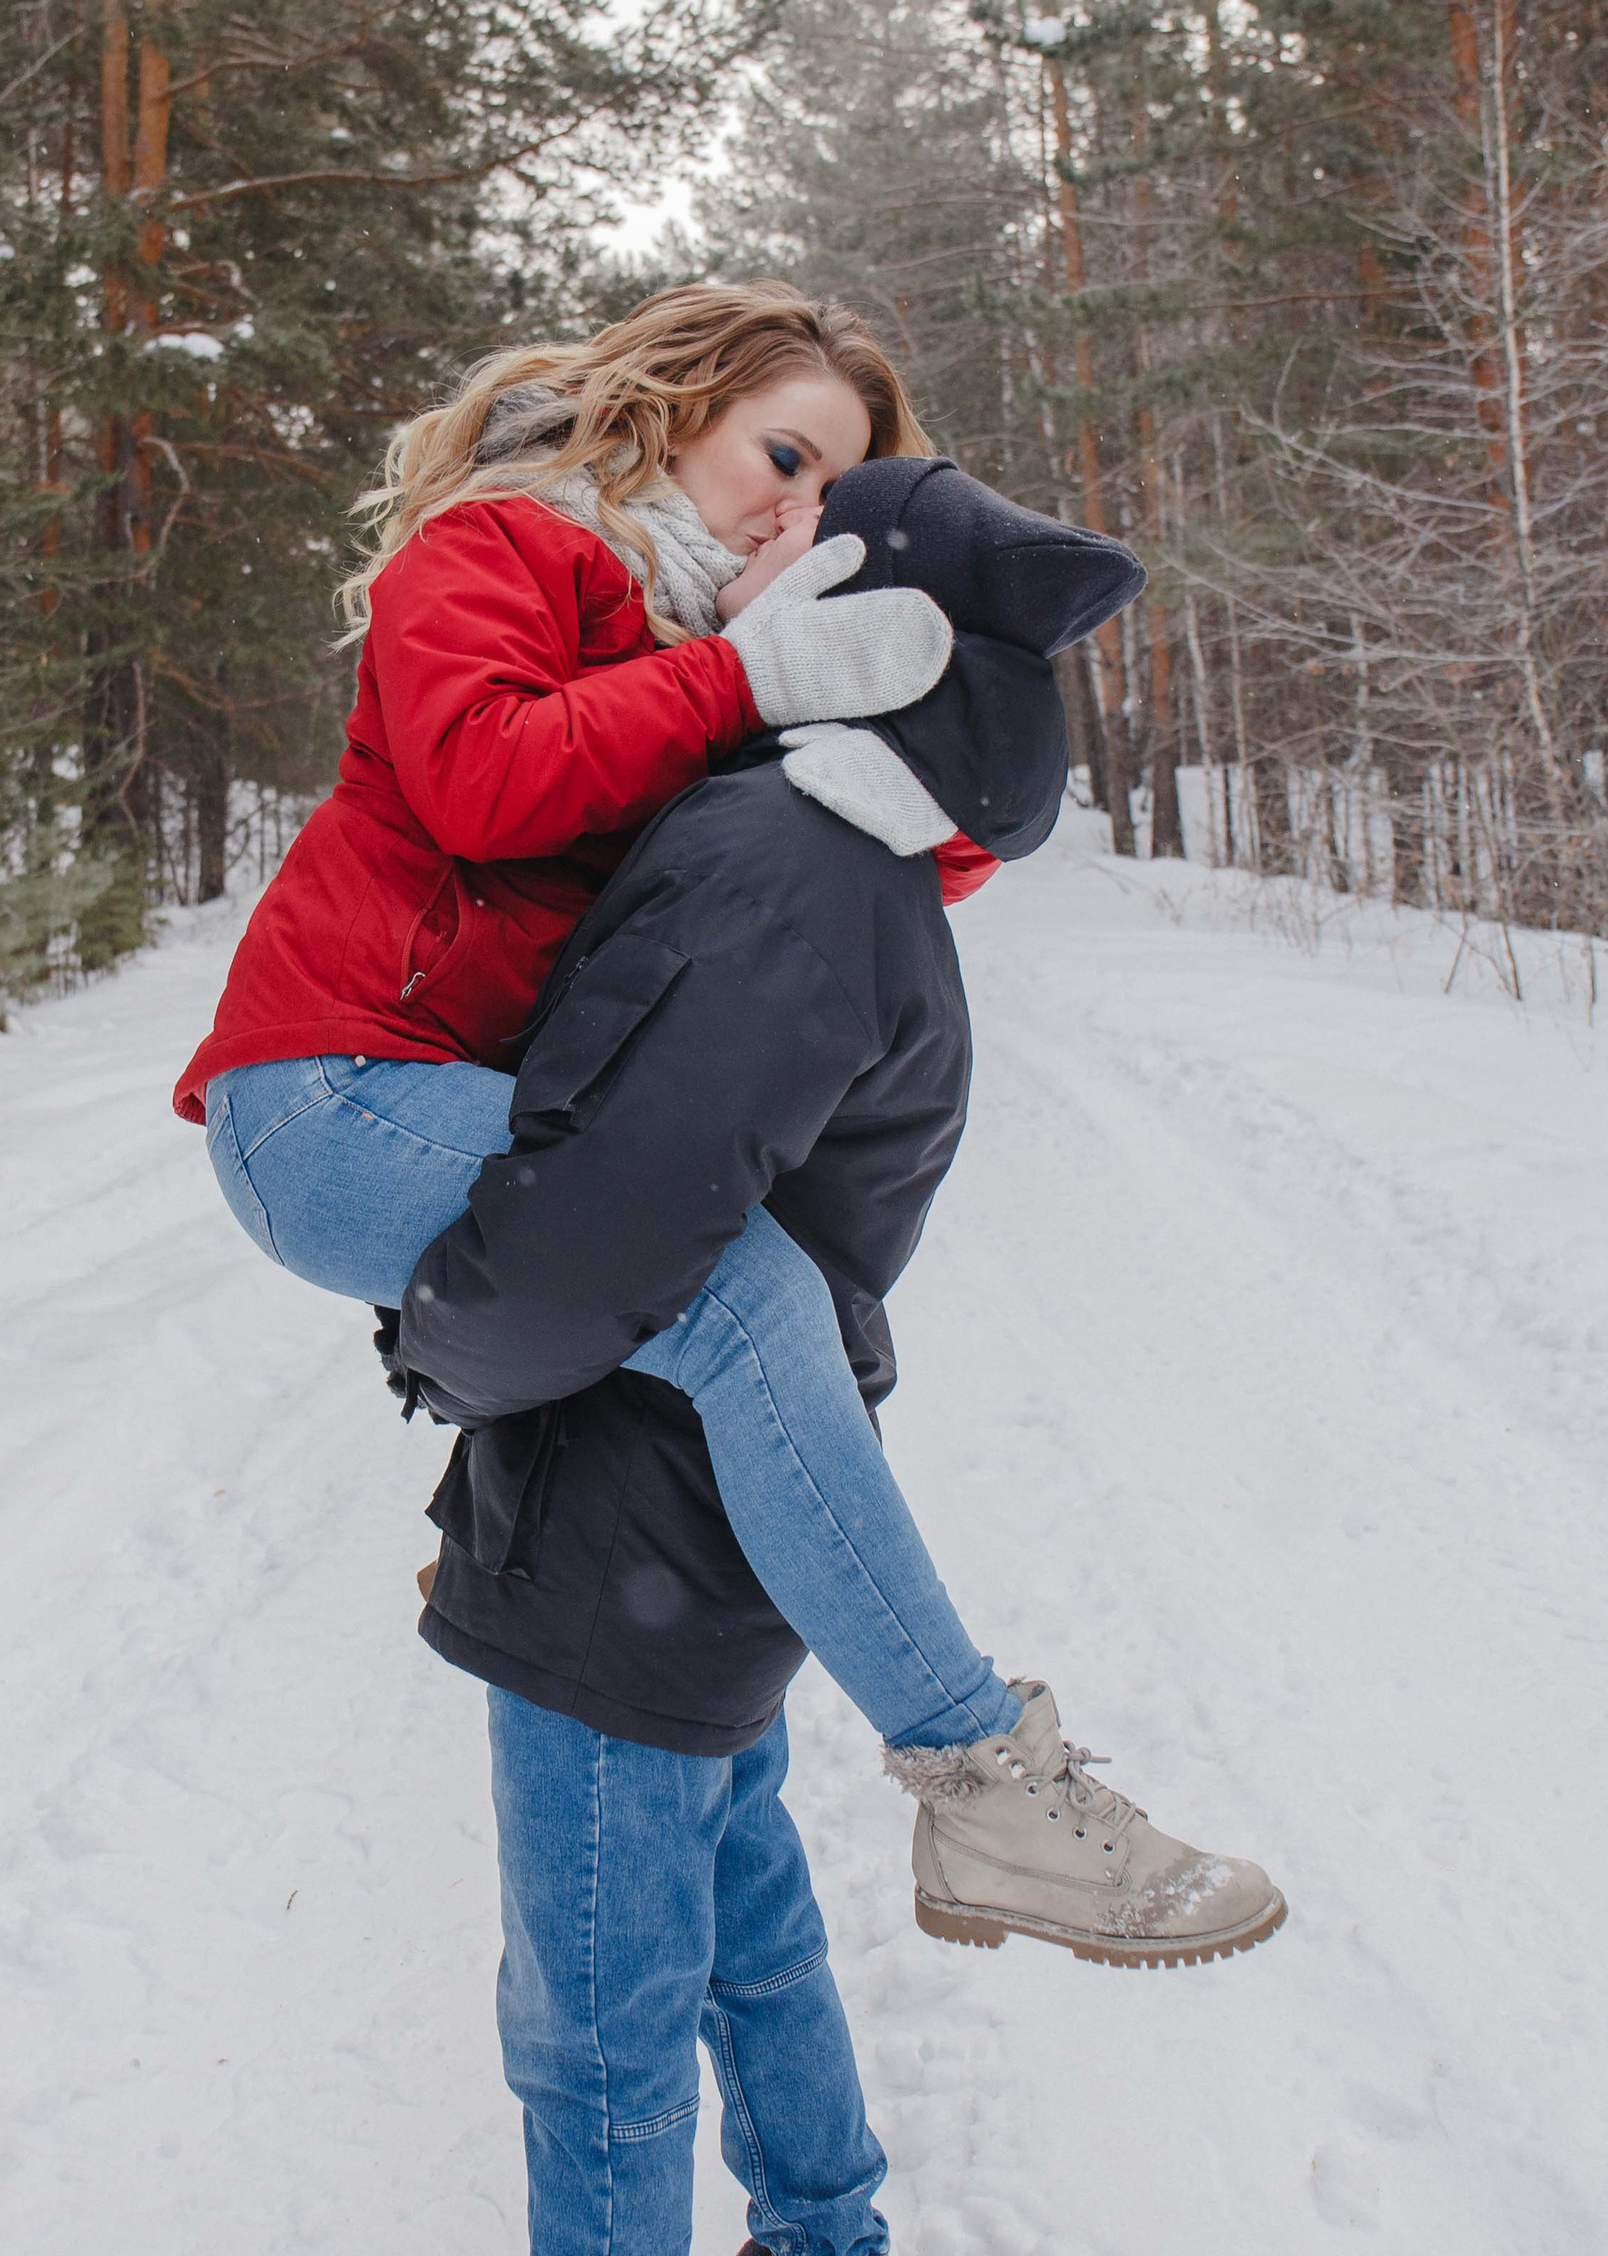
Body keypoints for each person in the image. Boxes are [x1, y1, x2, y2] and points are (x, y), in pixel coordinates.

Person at [384, 455, 1286, 2254]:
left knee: (597, 2039)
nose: (747, 539)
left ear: (865, 607)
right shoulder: (827, 849)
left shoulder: (773, 862)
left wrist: (440, 1345)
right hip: (706, 1525)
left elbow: (615, 1233)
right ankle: (829, 2230)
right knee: (750, 1927)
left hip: (622, 1534)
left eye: (797, 523)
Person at [178, 279, 1135, 1808]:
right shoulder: (503, 545)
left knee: (706, 1304)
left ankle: (555, 1591)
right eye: (782, 456)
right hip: (326, 1094)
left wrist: (934, 748)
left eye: (836, 484)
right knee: (746, 1297)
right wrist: (751, 677)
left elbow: (891, 865)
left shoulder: (716, 647)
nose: (801, 506)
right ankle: (973, 1765)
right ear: (674, 416)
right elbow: (490, 780)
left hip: (471, 1092)